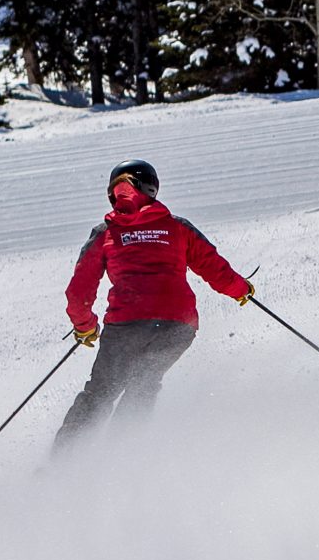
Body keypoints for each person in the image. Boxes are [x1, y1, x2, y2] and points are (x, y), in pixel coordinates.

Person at [57, 160, 254, 448]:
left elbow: (79, 292)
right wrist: (240, 289)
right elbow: (214, 267)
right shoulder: (177, 227)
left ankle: (65, 462)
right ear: (153, 188)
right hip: (178, 325)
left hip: (126, 325)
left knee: (101, 392)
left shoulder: (105, 234)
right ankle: (123, 456)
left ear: (112, 193)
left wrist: (85, 326)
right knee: (144, 383)